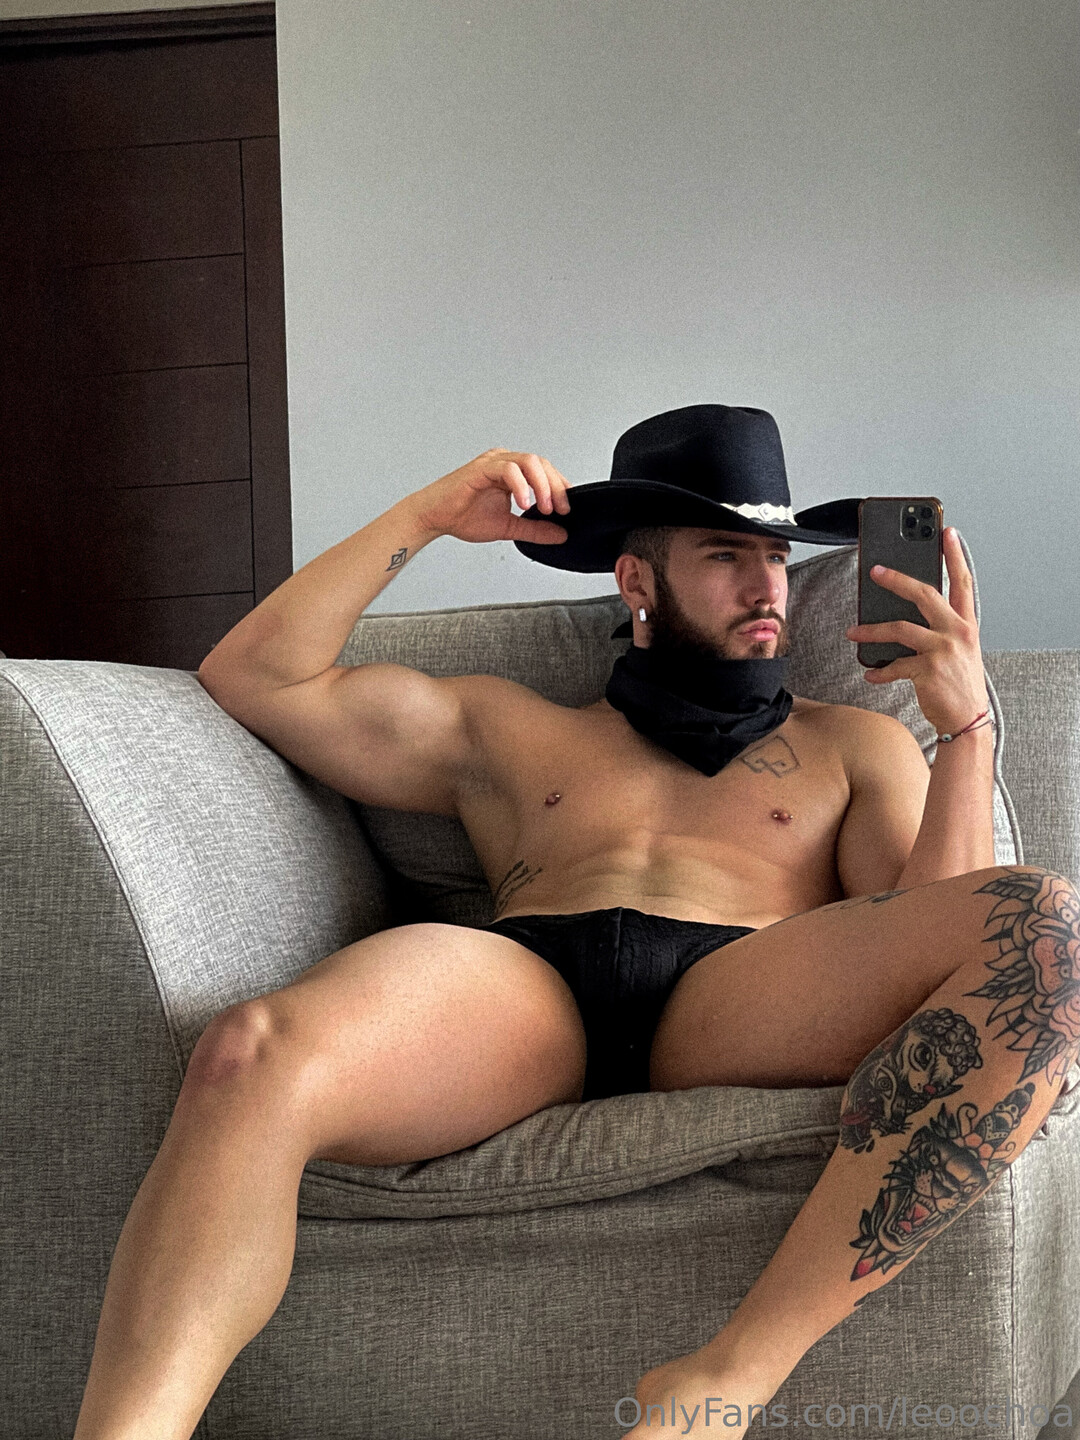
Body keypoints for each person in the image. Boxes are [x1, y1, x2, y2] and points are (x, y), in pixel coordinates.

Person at [73, 406, 1080, 1440]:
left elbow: (937, 951)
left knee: (1048, 932)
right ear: (637, 580)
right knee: (249, 1053)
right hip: (524, 995)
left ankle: (721, 1382)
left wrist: (965, 728)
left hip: (738, 995)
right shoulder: (509, 727)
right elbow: (254, 677)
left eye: (776, 558)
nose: (767, 587)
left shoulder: (857, 746)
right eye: (726, 555)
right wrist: (424, 516)